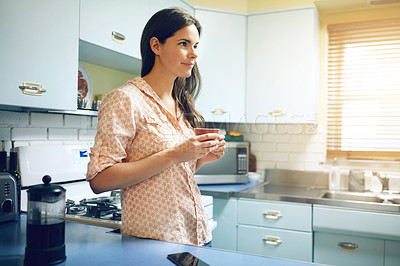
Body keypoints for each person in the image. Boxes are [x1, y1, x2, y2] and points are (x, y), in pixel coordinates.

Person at [86, 8, 226, 247]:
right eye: (184, 43)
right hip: (155, 243)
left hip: (197, 236)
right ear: (156, 46)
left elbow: (171, 175)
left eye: (195, 46)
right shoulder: (125, 99)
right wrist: (175, 154)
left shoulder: (180, 104)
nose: (193, 54)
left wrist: (200, 158)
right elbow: (99, 180)